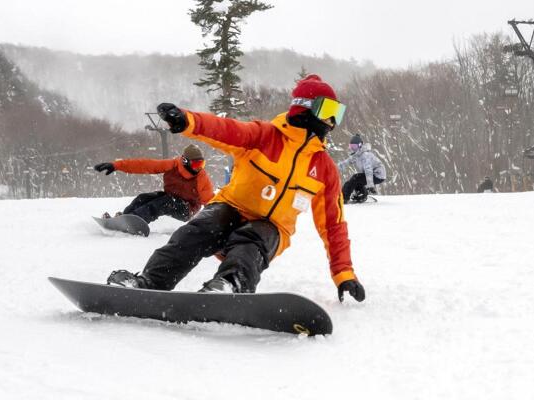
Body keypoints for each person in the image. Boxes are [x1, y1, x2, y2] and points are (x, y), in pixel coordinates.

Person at [107, 74, 365, 303]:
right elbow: (225, 130)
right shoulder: (263, 136)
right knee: (196, 231)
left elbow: (334, 224)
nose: (333, 120)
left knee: (253, 239)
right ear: (305, 109)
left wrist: (344, 273)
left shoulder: (324, 167)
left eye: (338, 112)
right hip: (230, 208)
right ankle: (150, 282)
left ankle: (231, 285)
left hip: (271, 228)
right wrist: (187, 121)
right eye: (329, 109)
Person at [93, 144, 214, 224]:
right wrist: (116, 165)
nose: (199, 168)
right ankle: (124, 219)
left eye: (201, 164)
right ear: (185, 161)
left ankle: (135, 221)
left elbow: (211, 202)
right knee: (143, 198)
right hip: (170, 198)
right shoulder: (173, 165)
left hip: (187, 209)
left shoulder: (201, 177)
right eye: (196, 164)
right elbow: (144, 165)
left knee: (164, 202)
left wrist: (222, 222)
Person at [337, 135, 386, 204]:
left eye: (354, 146)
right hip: (372, 174)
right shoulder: (357, 155)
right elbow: (345, 163)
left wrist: (370, 185)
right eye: (351, 146)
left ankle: (344, 198)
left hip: (378, 175)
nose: (353, 149)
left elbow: (368, 171)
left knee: (355, 178)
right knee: (356, 180)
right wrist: (333, 168)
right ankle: (361, 195)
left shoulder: (365, 155)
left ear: (360, 145)